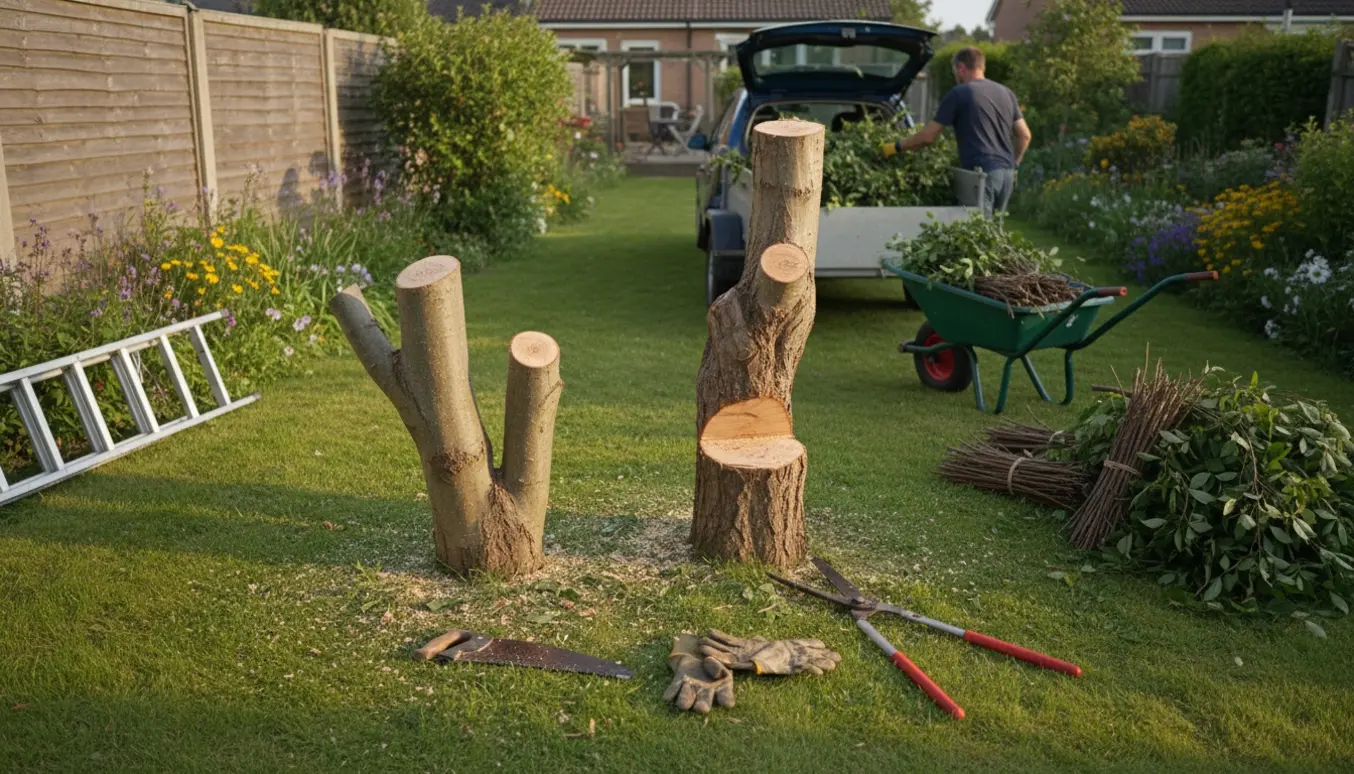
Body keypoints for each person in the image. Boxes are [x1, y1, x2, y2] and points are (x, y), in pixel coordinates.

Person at [880, 47, 1031, 218]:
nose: (955, 77)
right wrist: (1014, 165)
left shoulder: (960, 93)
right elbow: (1025, 135)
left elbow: (928, 136)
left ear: (961, 68)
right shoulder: (1006, 93)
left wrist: (896, 147)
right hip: (1007, 176)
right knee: (995, 234)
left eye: (954, 72)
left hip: (983, 174)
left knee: (978, 232)